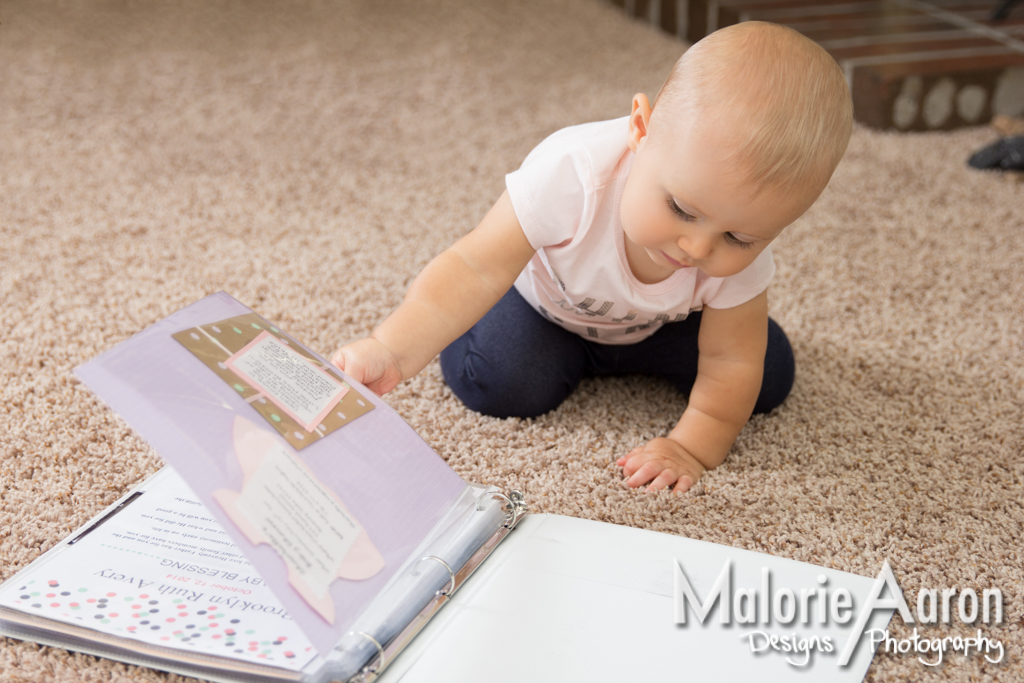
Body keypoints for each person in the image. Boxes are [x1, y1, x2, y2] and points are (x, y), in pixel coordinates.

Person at [332, 21, 853, 494]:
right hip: (549, 314)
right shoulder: (571, 174)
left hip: (662, 329)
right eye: (681, 209)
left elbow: (730, 359)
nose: (696, 249)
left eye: (739, 238)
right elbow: (476, 266)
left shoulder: (741, 249)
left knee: (765, 375)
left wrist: (692, 448)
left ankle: (636, 360)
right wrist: (390, 347)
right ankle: (497, 335)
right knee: (499, 382)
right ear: (640, 131)